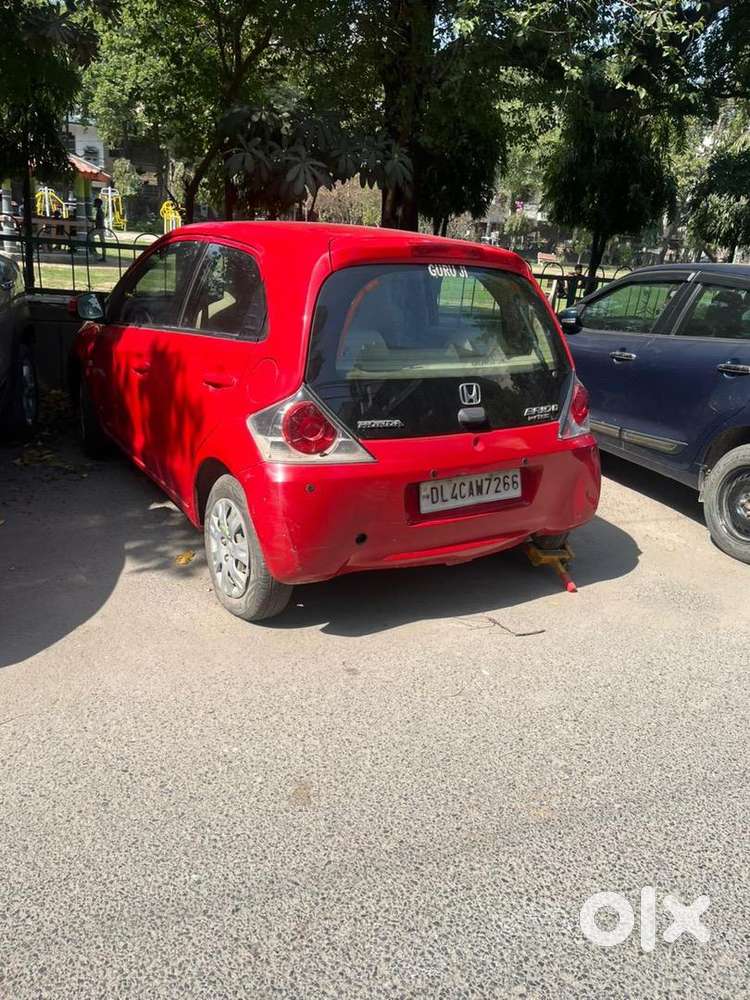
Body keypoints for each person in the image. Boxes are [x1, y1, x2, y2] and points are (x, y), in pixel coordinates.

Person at [92, 196, 106, 261]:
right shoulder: (99, 211)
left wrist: (92, 221)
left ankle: (93, 250)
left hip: (99, 229)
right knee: (103, 243)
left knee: (89, 236)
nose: (94, 204)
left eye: (95, 203)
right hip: (101, 228)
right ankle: (104, 257)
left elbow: (99, 220)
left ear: (98, 204)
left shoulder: (99, 211)